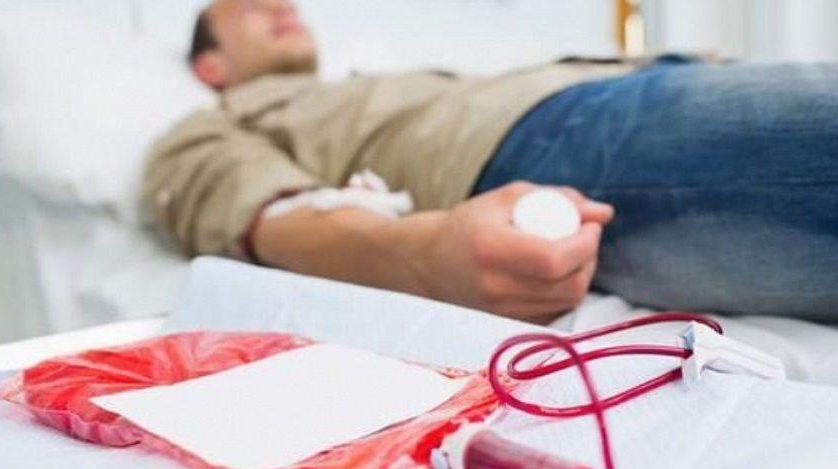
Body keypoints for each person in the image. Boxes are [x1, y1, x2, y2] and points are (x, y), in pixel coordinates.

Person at [144, 0, 838, 324]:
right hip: (545, 140)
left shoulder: (372, 84)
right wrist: (418, 257)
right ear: (211, 66)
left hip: (638, 82)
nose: (279, 3)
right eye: (247, 7)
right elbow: (262, 214)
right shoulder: (206, 128)